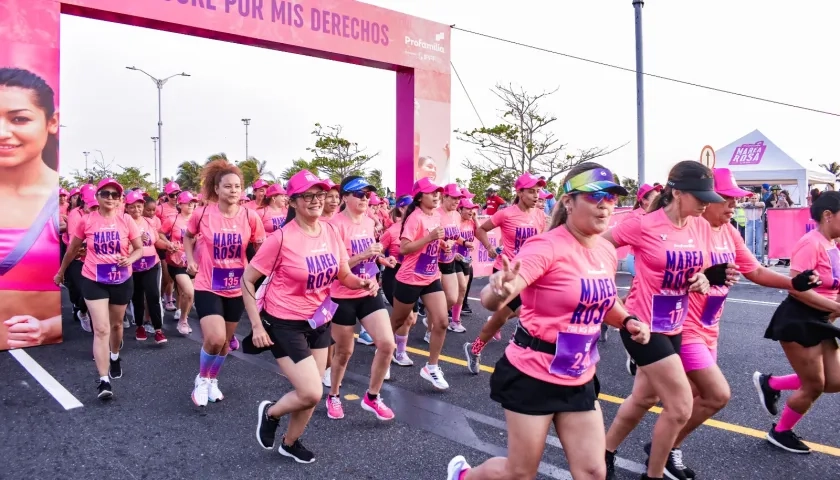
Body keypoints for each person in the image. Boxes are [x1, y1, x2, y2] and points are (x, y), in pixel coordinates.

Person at [446, 163, 650, 480]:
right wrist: (500, 287)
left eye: (611, 197)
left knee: (594, 471)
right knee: (519, 473)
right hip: (533, 373)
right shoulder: (547, 246)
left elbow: (604, 300)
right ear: (568, 201)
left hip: (579, 373)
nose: (605, 205)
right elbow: (492, 298)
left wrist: (628, 320)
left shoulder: (606, 251)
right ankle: (464, 476)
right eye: (595, 197)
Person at [662, 168, 820, 478]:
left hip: (710, 327)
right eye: (728, 199)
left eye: (736, 200)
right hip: (685, 327)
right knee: (716, 395)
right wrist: (705, 276)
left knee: (689, 398)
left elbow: (756, 272)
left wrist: (795, 282)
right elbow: (666, 274)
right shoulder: (687, 228)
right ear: (707, 198)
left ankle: (658, 448)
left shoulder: (729, 231)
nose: (734, 206)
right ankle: (666, 449)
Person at [242, 169, 378, 463]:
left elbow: (343, 274)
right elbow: (247, 280)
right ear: (293, 201)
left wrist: (362, 282)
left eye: (320, 194)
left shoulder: (330, 231)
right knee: (312, 391)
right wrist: (256, 325)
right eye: (308, 196)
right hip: (283, 323)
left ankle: (290, 443)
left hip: (318, 320)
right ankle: (271, 412)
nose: (316, 201)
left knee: (310, 391)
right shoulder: (280, 239)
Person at [602, 161, 726, 480]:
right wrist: (606, 289)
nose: (705, 203)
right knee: (681, 405)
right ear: (677, 192)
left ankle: (604, 453)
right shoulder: (644, 224)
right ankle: (653, 475)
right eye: (699, 196)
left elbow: (700, 269)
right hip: (641, 326)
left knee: (644, 397)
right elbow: (600, 246)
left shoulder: (699, 226)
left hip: (675, 324)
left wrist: (700, 279)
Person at [753, 191, 840, 454]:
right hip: (799, 319)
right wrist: (836, 307)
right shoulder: (810, 243)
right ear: (828, 216)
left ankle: (771, 384)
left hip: (821, 319)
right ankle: (780, 432)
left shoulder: (833, 244)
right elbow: (796, 288)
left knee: (834, 381)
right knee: (814, 385)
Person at [184, 159, 266, 407]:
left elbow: (261, 251)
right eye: (228, 186)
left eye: (238, 186)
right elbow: (188, 237)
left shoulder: (251, 217)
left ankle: (212, 380)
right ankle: (201, 378)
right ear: (216, 189)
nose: (233, 190)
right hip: (208, 284)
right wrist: (190, 259)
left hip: (236, 286)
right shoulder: (202, 214)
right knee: (215, 338)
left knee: (225, 343)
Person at [55, 178, 144, 400]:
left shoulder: (126, 220)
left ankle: (115, 355)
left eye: (115, 195)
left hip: (121, 279)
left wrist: (130, 259)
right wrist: (61, 271)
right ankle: (104, 381)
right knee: (101, 328)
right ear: (98, 197)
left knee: (116, 326)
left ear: (120, 198)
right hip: (94, 278)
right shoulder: (86, 221)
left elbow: (139, 249)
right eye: (106, 194)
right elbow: (72, 249)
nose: (111, 198)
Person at [324, 175, 397, 420]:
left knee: (388, 345)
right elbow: (334, 266)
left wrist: (380, 260)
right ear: (344, 196)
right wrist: (364, 254)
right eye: (359, 194)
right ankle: (333, 395)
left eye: (368, 195)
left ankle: (372, 397)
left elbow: (370, 254)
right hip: (341, 294)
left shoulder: (369, 222)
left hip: (368, 290)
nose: (365, 199)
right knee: (344, 352)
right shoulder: (333, 226)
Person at [0, 68, 63, 350]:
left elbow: (92, 298)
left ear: (52, 122)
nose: (3, 133)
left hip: (42, 357)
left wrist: (49, 329)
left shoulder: (59, 204)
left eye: (19, 119)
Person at [465, 173, 547, 374]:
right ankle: (480, 350)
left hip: (529, 273)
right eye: (531, 191)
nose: (536, 196)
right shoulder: (506, 214)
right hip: (505, 273)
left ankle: (480, 348)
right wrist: (489, 248)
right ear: (519, 192)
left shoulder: (539, 215)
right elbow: (481, 230)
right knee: (516, 315)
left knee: (512, 316)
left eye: (538, 192)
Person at [389, 177, 451, 389]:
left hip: (431, 275)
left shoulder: (436, 215)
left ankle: (431, 367)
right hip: (410, 278)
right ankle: (384, 355)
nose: (436, 195)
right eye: (431, 192)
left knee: (442, 321)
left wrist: (442, 244)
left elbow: (434, 238)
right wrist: (430, 238)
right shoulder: (414, 218)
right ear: (419, 196)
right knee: (397, 322)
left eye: (437, 192)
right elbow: (404, 249)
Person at [422, 183, 465, 341]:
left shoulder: (457, 215)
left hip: (449, 260)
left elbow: (455, 236)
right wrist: (442, 244)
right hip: (434, 261)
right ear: (444, 197)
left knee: (452, 298)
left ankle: (433, 317)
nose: (456, 202)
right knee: (435, 299)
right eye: (453, 198)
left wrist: (463, 243)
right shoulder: (435, 214)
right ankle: (430, 330)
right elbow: (429, 236)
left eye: (459, 199)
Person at [124, 191, 167, 344]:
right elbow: (122, 248)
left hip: (151, 264)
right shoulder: (123, 223)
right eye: (132, 207)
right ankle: (140, 326)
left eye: (139, 206)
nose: (136, 210)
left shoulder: (149, 222)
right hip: (133, 266)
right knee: (137, 298)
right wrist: (137, 242)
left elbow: (156, 241)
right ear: (126, 208)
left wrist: (169, 246)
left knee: (153, 296)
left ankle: (158, 329)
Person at [379, 195, 418, 366]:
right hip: (393, 275)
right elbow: (376, 251)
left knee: (412, 319)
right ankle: (397, 352)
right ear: (402, 209)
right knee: (405, 317)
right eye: (412, 207)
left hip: (414, 277)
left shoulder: (419, 228)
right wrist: (385, 259)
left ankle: (387, 343)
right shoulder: (391, 231)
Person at [163, 191, 198, 335]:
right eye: (187, 202)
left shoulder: (198, 220)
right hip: (176, 262)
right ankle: (183, 320)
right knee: (189, 292)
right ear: (180, 204)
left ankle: (180, 310)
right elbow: (159, 233)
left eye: (193, 202)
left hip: (194, 262)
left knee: (185, 292)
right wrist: (168, 243)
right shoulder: (172, 220)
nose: (190, 205)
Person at [451, 197, 479, 332]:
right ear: (460, 209)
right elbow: (448, 238)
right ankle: (439, 315)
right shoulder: (455, 222)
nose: (471, 211)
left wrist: (476, 219)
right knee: (461, 287)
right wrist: (452, 253)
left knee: (462, 291)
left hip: (467, 260)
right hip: (454, 259)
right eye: (468, 208)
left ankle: (454, 320)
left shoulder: (471, 222)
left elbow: (479, 233)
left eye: (472, 209)